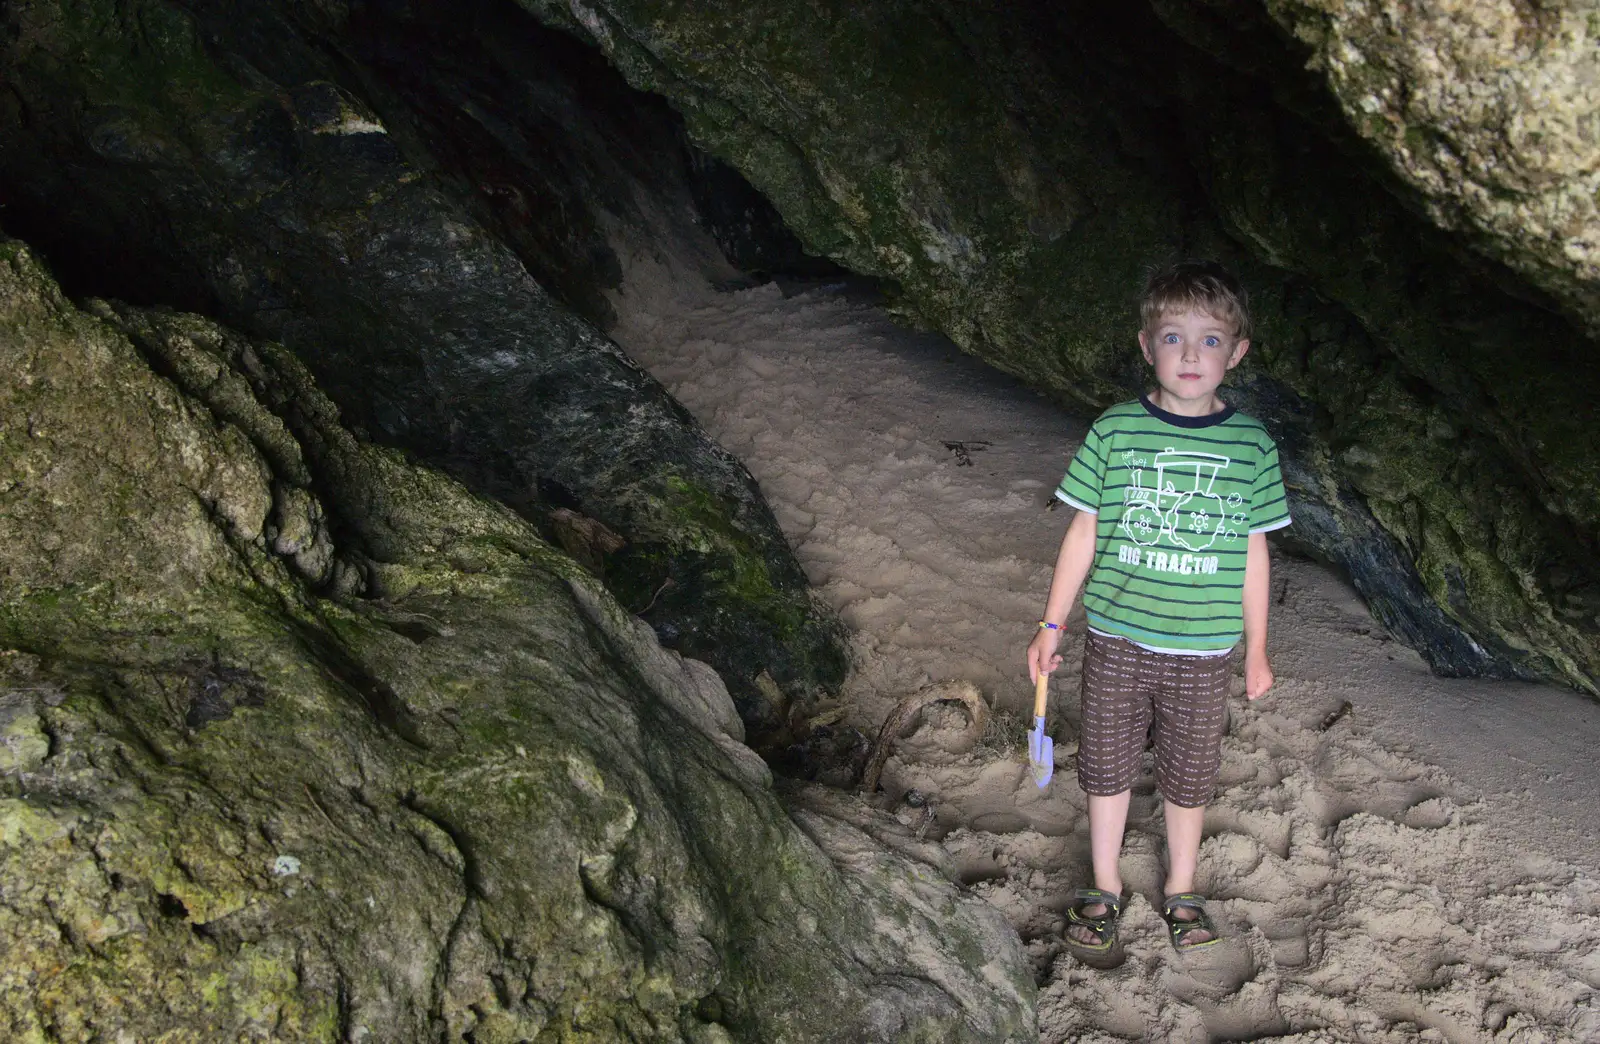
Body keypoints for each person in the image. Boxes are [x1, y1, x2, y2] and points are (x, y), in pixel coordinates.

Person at [1026, 260, 1290, 954]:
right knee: (1107, 767)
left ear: (1236, 353)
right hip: (1117, 639)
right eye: (1173, 337)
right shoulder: (1115, 431)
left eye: (1210, 341)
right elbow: (1082, 533)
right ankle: (1105, 884)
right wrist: (1052, 625)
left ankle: (1181, 886)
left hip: (1205, 651)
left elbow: (1254, 553)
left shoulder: (1252, 445)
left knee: (1189, 775)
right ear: (1148, 346)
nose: (1191, 355)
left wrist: (1258, 647)